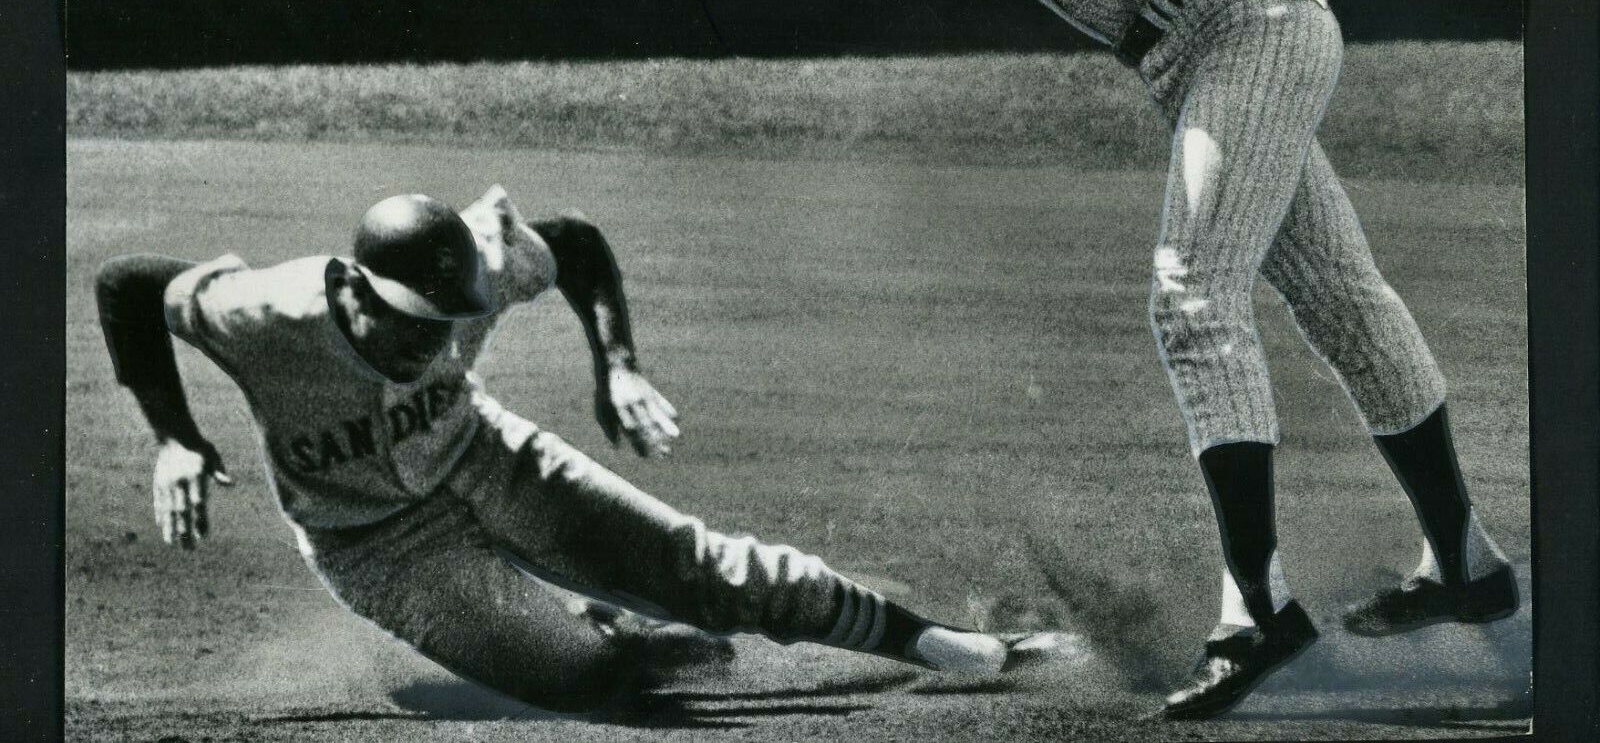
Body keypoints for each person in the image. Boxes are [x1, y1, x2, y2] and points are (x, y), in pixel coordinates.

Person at [834, 0, 1519, 721]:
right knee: (1341, 298)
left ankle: (1255, 611)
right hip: (1183, 61)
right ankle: (1468, 564)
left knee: (1194, 297)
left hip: (1247, 12)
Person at [94, 185, 1059, 714]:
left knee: (704, 569)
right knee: (586, 685)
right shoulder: (265, 310)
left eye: (450, 319)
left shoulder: (481, 259)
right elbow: (127, 284)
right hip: (373, 542)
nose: (434, 338)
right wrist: (174, 437)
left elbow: (579, 243)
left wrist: (619, 368)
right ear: (351, 289)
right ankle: (612, 642)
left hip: (483, 454)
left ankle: (953, 645)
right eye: (414, 323)